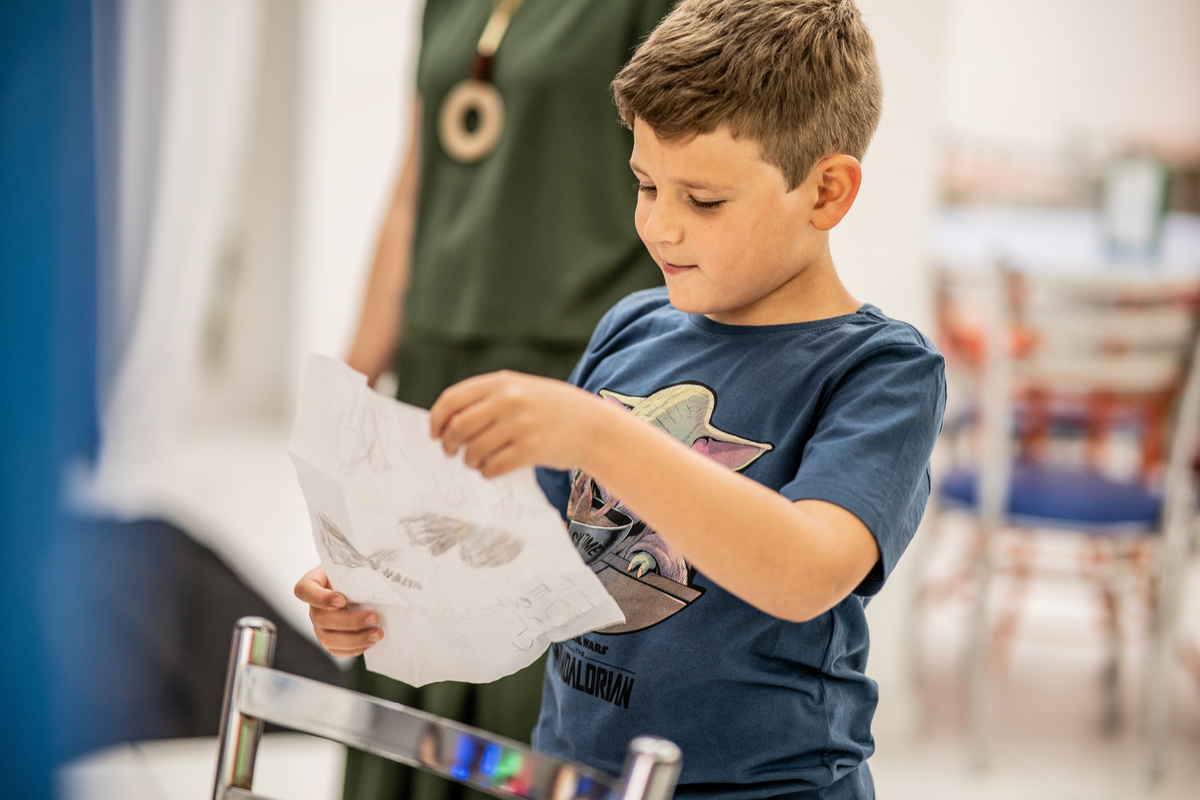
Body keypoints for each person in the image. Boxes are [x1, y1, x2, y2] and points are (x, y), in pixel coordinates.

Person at [306, 0, 946, 797]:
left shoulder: (882, 372)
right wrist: (387, 587)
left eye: (703, 200)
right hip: (576, 776)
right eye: (645, 185)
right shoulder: (631, 327)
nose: (660, 228)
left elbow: (805, 572)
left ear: (827, 192)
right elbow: (530, 551)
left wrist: (600, 438)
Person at [294, 3, 674, 800]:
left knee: (526, 682)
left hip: (573, 379)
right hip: (436, 374)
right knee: (406, 644)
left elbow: (689, 186)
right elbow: (414, 189)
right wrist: (346, 395)